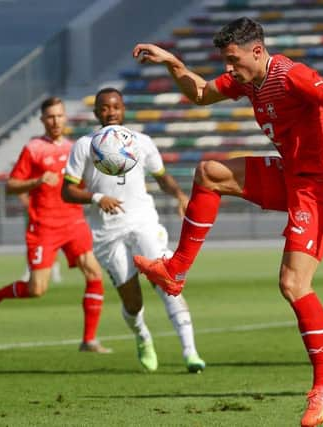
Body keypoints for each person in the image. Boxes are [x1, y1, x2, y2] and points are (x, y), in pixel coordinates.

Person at [130, 17, 323, 427]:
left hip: (322, 187)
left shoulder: (291, 75)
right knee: (209, 171)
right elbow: (201, 93)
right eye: (225, 61)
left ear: (257, 52)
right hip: (291, 173)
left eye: (233, 60)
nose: (228, 69)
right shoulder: (247, 79)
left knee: (293, 284)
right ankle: (175, 271)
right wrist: (172, 62)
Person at [62, 87, 206, 373]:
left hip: (143, 222)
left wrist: (179, 196)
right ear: (96, 113)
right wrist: (96, 198)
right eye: (104, 108)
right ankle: (142, 336)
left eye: (115, 106)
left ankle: (190, 352)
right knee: (132, 299)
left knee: (166, 281)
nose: (111, 112)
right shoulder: (84, 145)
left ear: (123, 109)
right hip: (107, 233)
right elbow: (66, 191)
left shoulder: (141, 142)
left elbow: (162, 178)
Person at [0, 97, 110, 353]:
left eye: (59, 115)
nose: (56, 121)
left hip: (73, 221)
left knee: (94, 274)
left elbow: (84, 183)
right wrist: (37, 181)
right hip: (44, 225)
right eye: (50, 117)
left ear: (65, 118)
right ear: (42, 120)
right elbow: (12, 185)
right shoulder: (34, 148)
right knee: (37, 289)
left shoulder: (76, 148)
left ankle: (89, 340)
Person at [17, 192, 63, 284]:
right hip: (33, 214)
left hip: (48, 213)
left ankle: (55, 272)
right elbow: (21, 191)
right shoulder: (31, 180)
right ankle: (29, 271)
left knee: (53, 242)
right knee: (32, 244)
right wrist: (28, 203)